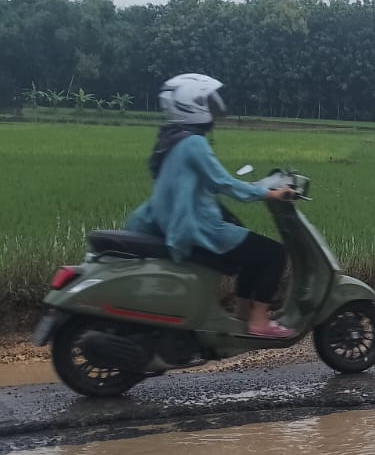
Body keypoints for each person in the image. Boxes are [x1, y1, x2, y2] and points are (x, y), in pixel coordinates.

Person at [126, 73, 296, 339]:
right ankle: (259, 321)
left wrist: (257, 188)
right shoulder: (194, 143)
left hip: (177, 222)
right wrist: (268, 194)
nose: (215, 108)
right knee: (273, 254)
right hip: (198, 226)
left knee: (250, 252)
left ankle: (242, 313)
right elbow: (223, 183)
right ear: (192, 104)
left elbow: (208, 183)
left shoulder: (172, 139)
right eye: (208, 100)